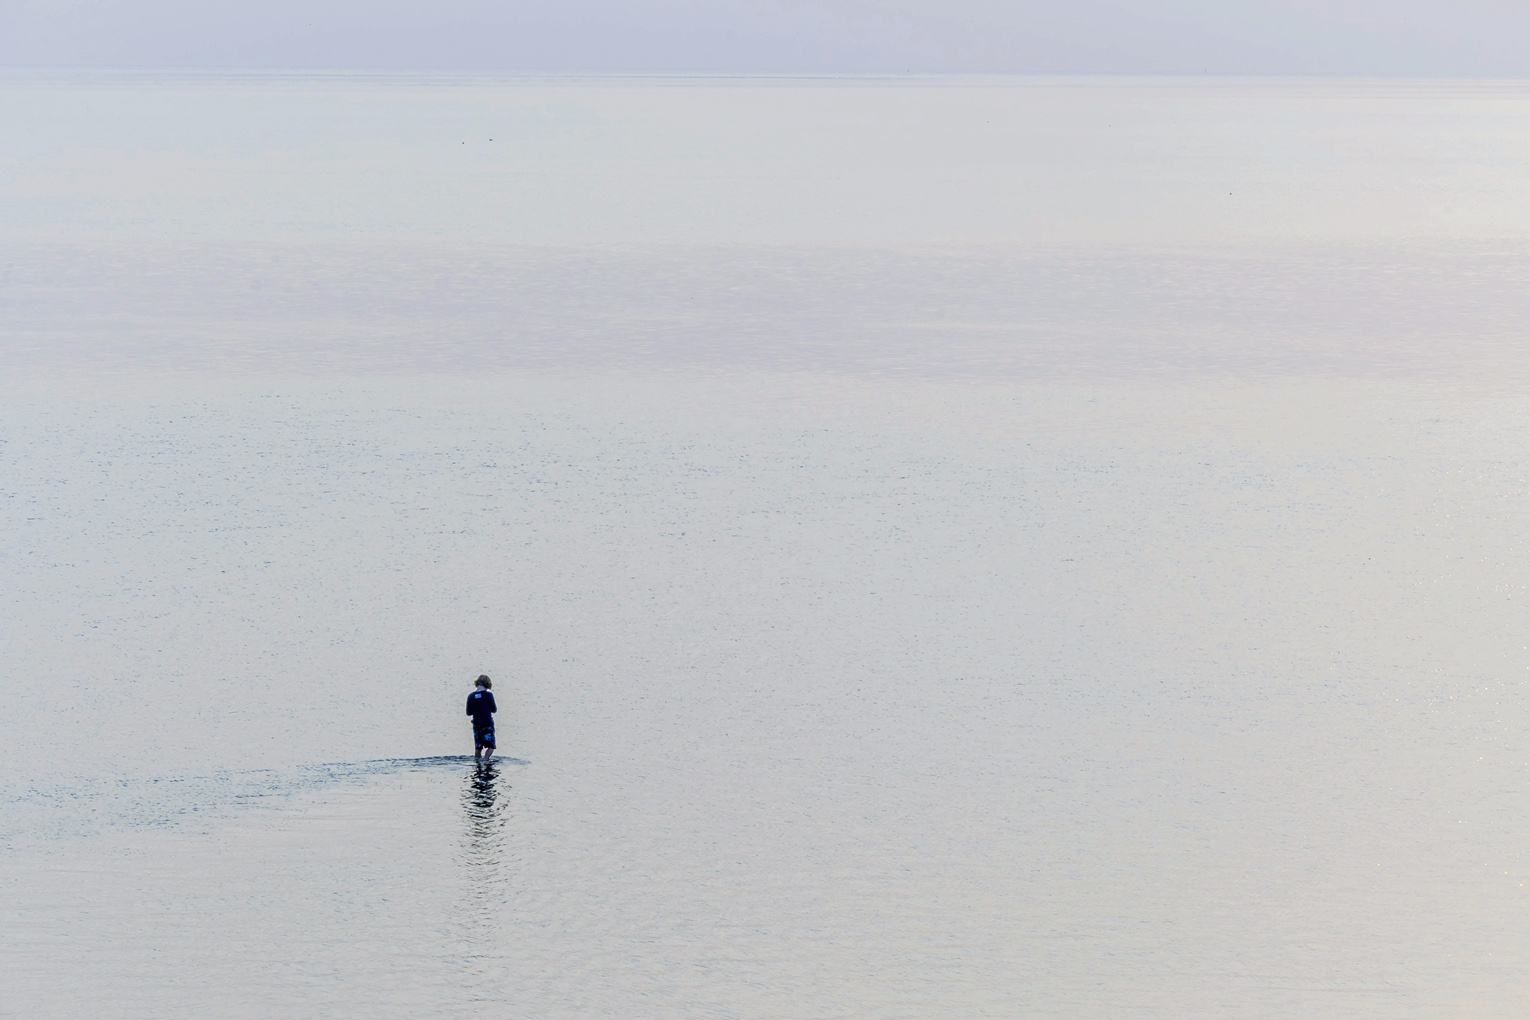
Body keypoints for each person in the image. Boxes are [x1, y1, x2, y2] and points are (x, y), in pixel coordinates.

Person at [466, 675, 498, 761]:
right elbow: (494, 709)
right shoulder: (488, 695)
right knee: (491, 746)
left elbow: (468, 713)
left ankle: (478, 763)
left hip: (476, 724)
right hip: (487, 724)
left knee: (478, 747)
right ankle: (486, 759)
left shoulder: (471, 696)